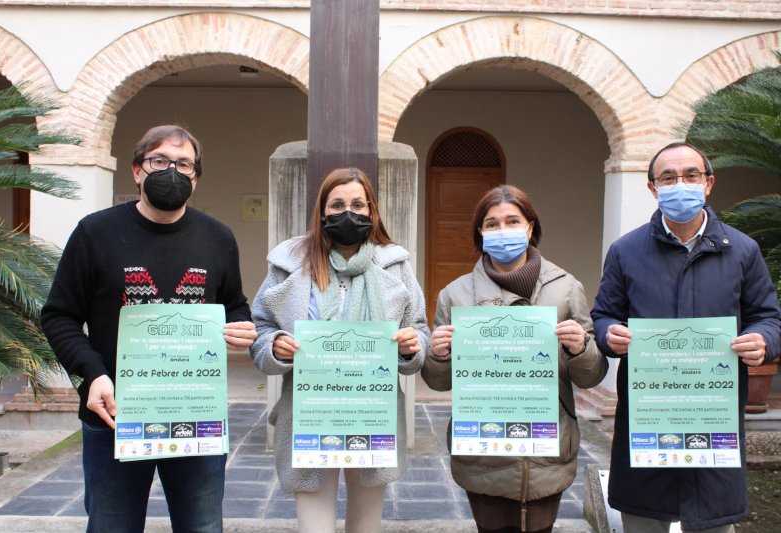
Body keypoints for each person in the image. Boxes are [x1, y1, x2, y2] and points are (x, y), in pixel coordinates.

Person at [41, 125, 257, 533]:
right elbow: (59, 315)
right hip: (115, 414)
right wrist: (93, 374)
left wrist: (239, 327)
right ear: (138, 170)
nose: (172, 171)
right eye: (160, 161)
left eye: (183, 164)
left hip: (195, 414)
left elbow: (234, 304)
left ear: (196, 177)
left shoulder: (217, 237)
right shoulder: (94, 233)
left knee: (202, 526)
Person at [591, 142, 781, 532]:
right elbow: (604, 314)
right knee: (643, 519)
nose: (681, 184)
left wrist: (762, 339)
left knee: (713, 520)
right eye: (668, 177)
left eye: (691, 175)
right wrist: (610, 334)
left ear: (708, 183)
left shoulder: (742, 250)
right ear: (653, 188)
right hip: (648, 415)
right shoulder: (626, 251)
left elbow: (768, 317)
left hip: (712, 414)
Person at [250, 167, 428, 533]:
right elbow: (260, 326)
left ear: (371, 210)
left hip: (373, 413)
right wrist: (274, 346)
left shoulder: (395, 263)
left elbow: (419, 328)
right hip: (310, 412)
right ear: (322, 211)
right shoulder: (289, 262)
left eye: (358, 204)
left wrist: (412, 347)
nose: (348, 213)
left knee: (366, 526)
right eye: (337, 204)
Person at [422, 185, 607, 533]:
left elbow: (591, 375)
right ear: (480, 231)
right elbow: (438, 381)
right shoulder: (455, 294)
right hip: (483, 450)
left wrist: (580, 348)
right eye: (492, 224)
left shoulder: (566, 288)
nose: (502, 230)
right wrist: (439, 355)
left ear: (530, 227)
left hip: (547, 447)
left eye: (512, 221)